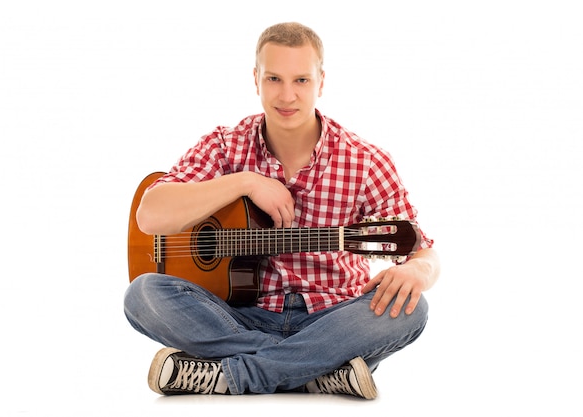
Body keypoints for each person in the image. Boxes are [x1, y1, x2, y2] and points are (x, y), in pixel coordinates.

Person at [124, 21, 440, 400]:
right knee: (142, 293)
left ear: (321, 82)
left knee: (412, 308)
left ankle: (232, 373)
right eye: (274, 78)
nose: (287, 95)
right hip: (240, 316)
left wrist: (420, 269)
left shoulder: (365, 160)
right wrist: (245, 182)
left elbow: (422, 248)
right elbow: (150, 214)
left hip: (333, 319)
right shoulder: (226, 146)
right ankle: (316, 371)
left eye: (301, 80)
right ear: (255, 79)